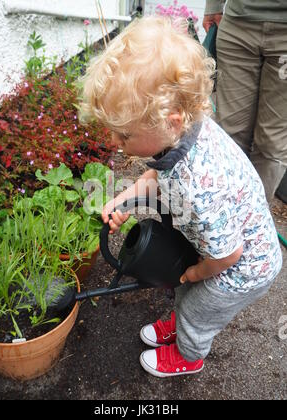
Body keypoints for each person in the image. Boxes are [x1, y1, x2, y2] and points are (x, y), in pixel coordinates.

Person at [79, 16, 282, 378]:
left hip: (241, 269)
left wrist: (193, 273)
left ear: (170, 121)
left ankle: (189, 354)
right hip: (226, 245)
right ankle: (185, 320)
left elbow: (227, 255)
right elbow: (156, 174)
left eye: (123, 136)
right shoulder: (185, 132)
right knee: (190, 298)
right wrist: (124, 199)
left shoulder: (200, 184)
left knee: (197, 305)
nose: (113, 143)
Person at [203, 0, 287, 203]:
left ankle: (253, 217)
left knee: (271, 142)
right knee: (230, 134)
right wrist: (213, 5)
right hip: (238, 27)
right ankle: (224, 211)